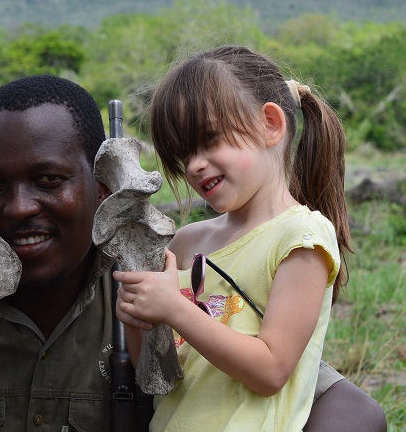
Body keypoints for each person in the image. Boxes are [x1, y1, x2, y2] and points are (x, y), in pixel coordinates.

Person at [0, 74, 385, 432]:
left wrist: (164, 311)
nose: (19, 207)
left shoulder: (148, 277)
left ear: (106, 191)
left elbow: (336, 402)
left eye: (48, 180)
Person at [113, 45, 384, 431]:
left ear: (270, 124)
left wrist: (173, 309)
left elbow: (271, 370)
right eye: (183, 154)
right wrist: (138, 319)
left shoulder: (301, 238)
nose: (194, 165)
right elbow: (156, 375)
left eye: (209, 139)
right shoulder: (185, 243)